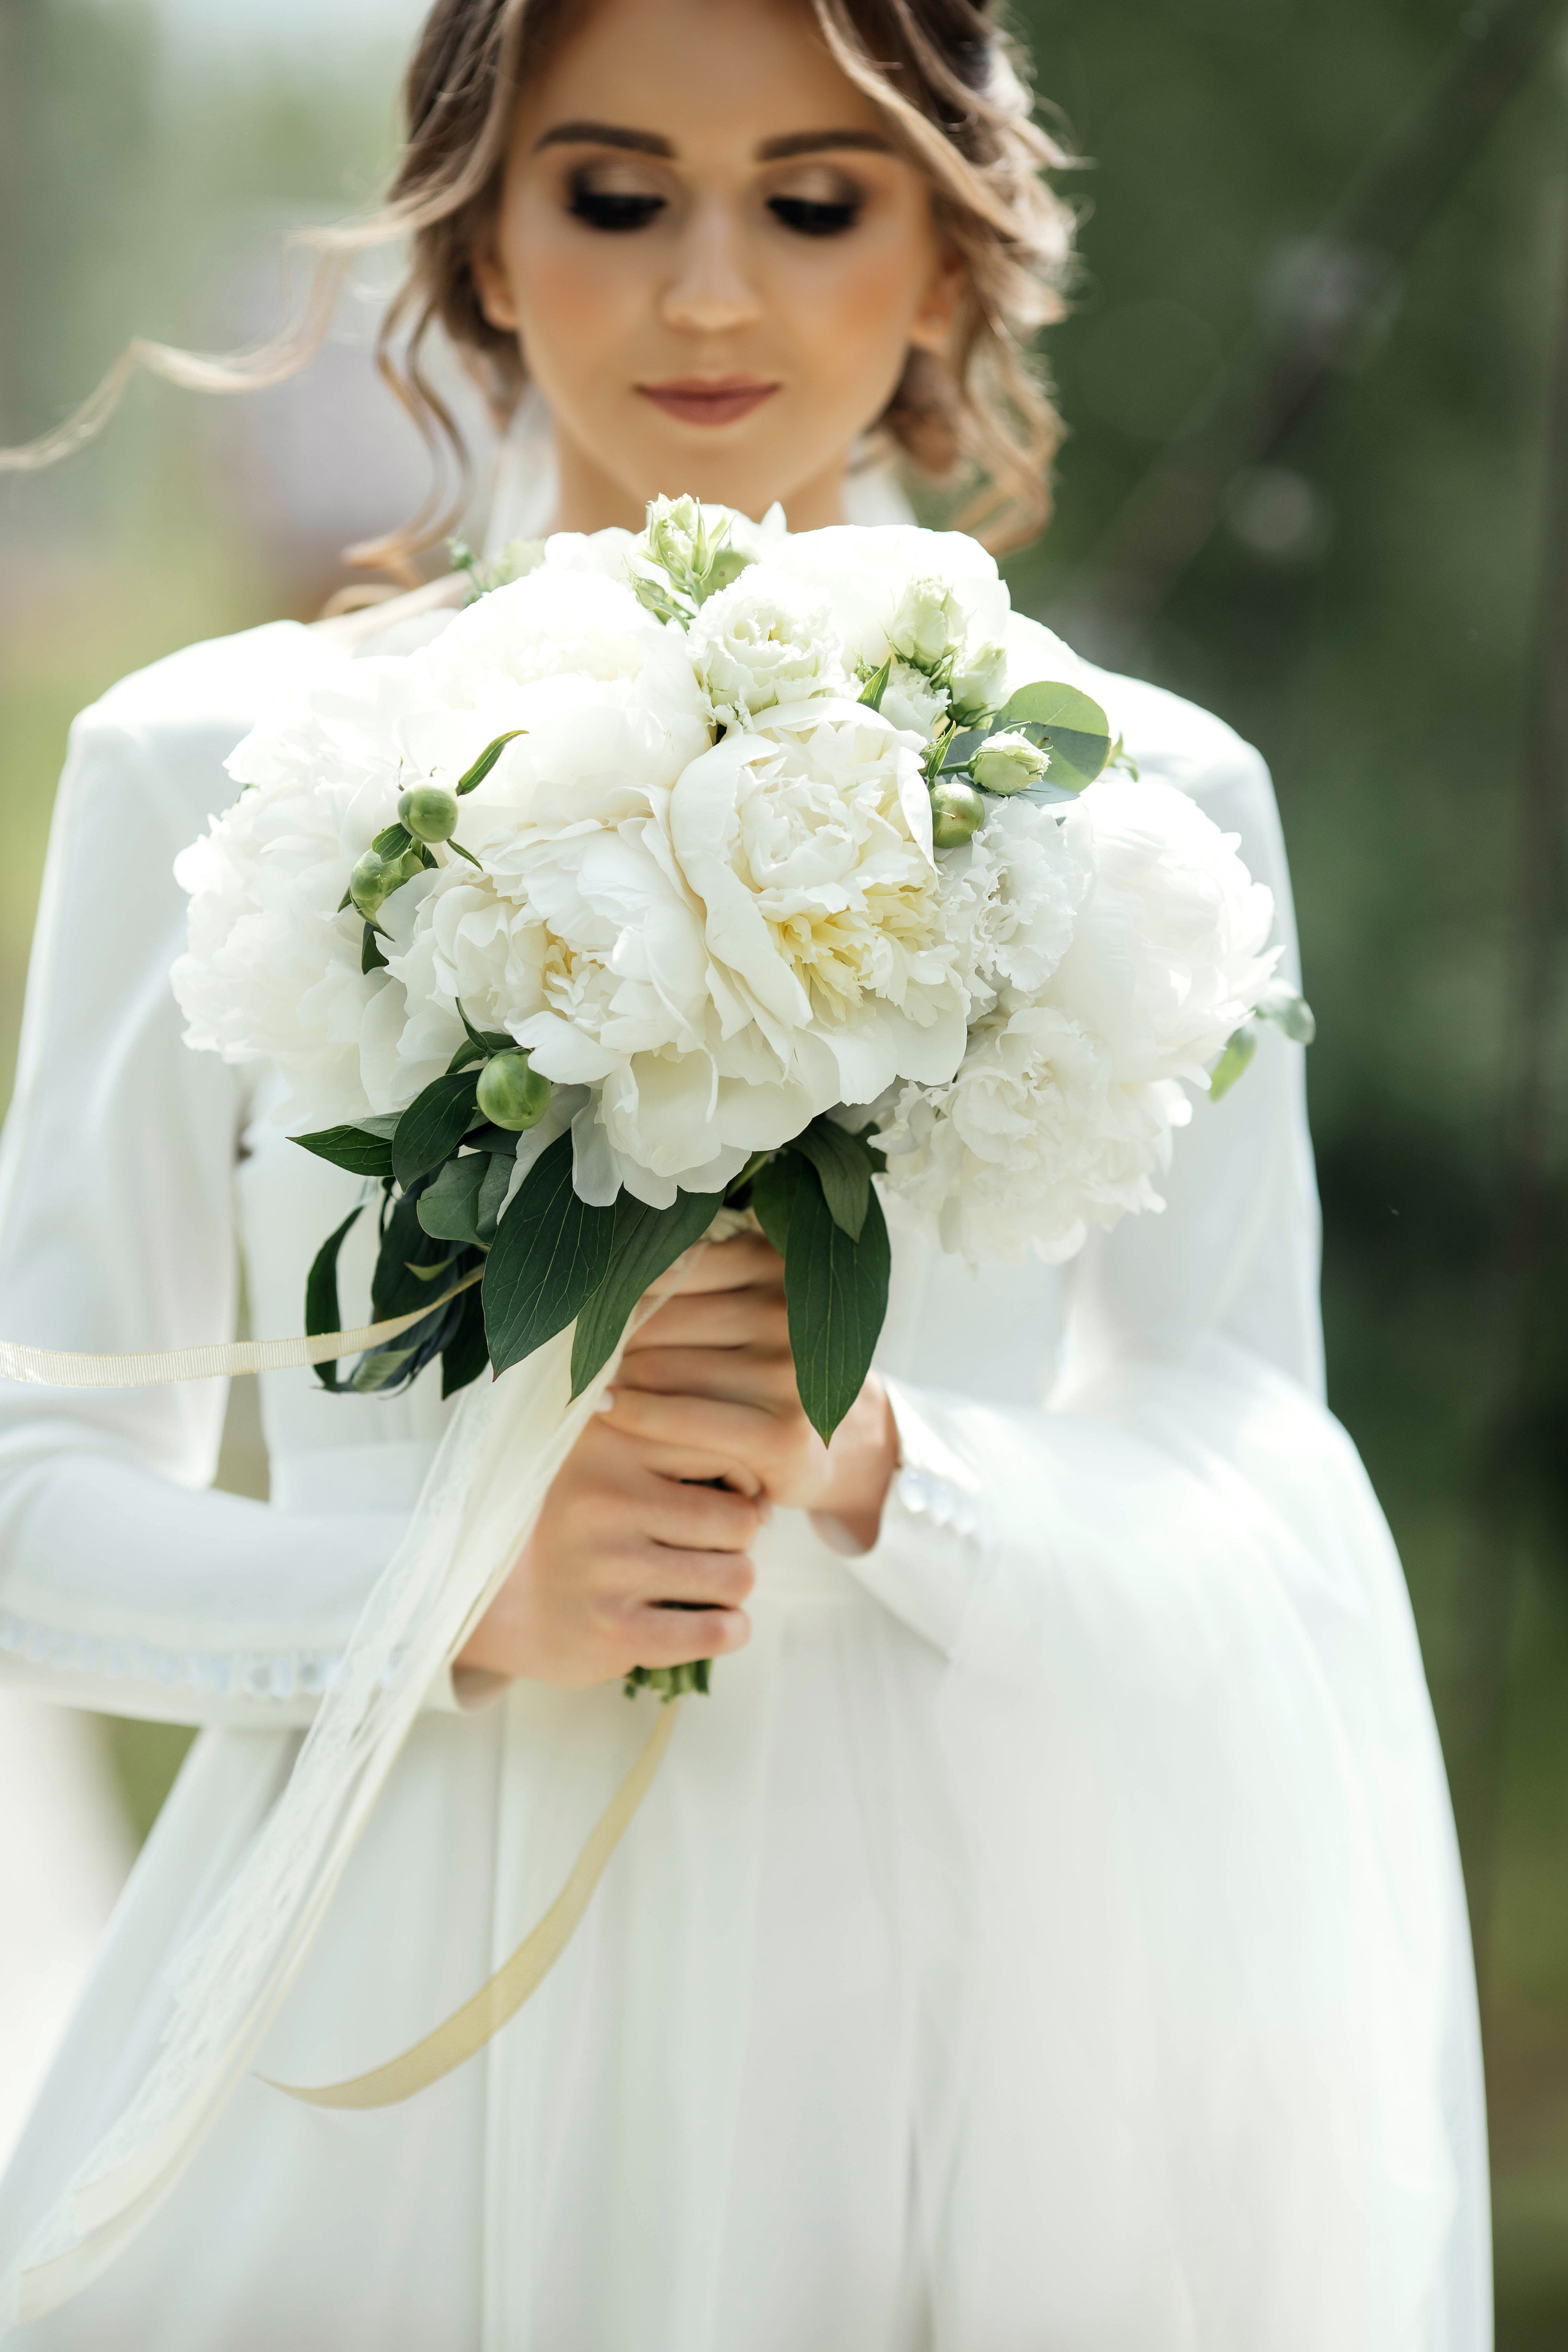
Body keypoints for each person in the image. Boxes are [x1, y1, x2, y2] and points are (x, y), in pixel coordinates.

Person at [0, 0, 1490, 2343]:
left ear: (946, 259)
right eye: (616, 196)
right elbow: (32, 1487)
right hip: (376, 2042)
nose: (711, 292)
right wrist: (452, 1602)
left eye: (811, 203)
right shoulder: (207, 771)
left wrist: (896, 1462)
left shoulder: (1151, 809)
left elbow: (1252, 1469)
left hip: (945, 2035)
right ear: (484, 237)